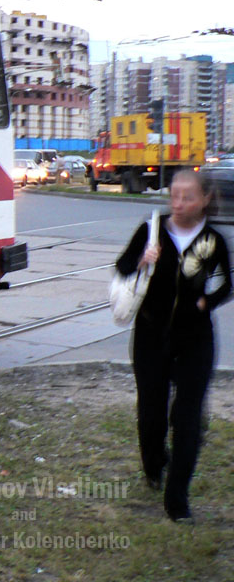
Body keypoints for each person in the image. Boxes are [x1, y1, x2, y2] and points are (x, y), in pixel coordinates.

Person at [116, 168, 231, 522]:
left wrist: (204, 304)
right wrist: (141, 260)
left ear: (205, 200)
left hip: (194, 339)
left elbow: (226, 285)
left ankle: (177, 500)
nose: (178, 203)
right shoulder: (152, 229)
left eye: (188, 197)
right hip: (151, 336)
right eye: (174, 195)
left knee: (188, 416)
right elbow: (122, 267)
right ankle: (154, 463)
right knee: (151, 411)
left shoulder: (213, 240)